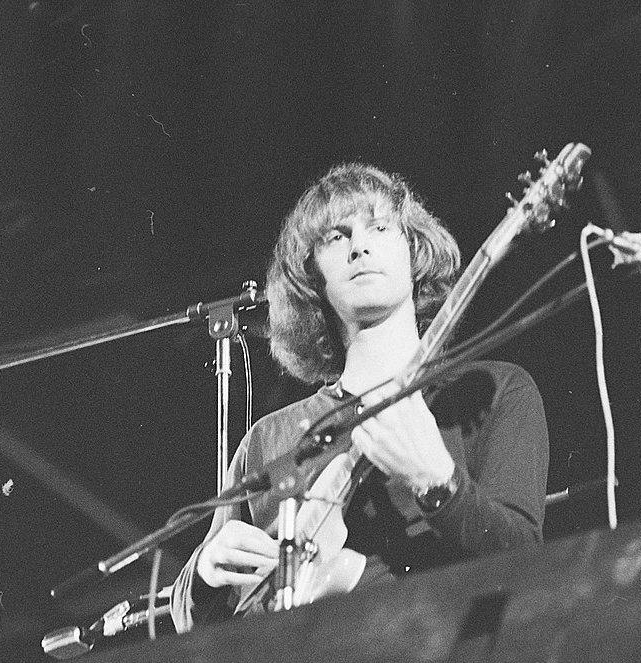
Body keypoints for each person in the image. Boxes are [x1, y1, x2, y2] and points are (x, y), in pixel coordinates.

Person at [170, 163, 549, 632]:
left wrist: (438, 483)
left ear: (414, 252)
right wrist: (204, 573)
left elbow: (526, 560)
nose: (359, 247)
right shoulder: (269, 438)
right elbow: (188, 617)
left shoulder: (495, 391)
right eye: (336, 237)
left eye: (380, 227)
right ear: (312, 278)